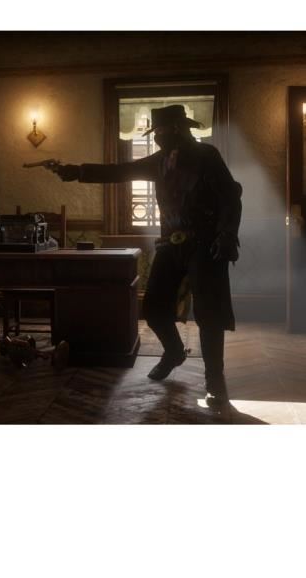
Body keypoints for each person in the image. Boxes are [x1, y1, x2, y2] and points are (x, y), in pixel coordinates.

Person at [53, 105, 242, 406]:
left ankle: (215, 382)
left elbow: (231, 197)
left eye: (161, 131)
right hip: (170, 243)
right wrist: (78, 172)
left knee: (209, 315)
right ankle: (174, 352)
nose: (157, 137)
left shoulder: (207, 156)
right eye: (156, 133)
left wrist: (227, 235)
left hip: (206, 245)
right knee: (153, 307)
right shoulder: (159, 161)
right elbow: (121, 171)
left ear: (178, 129)